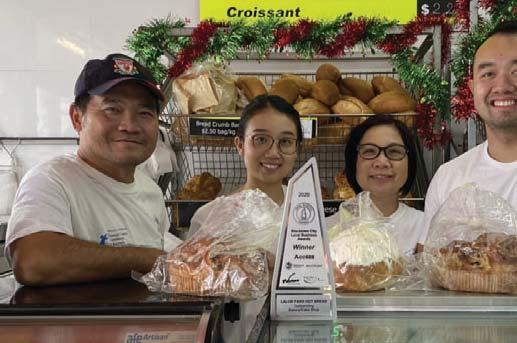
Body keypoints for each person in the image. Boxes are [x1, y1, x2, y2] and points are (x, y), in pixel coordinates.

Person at [5, 53, 181, 286]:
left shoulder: (151, 192)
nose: (130, 126)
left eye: (145, 113)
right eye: (112, 109)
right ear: (77, 118)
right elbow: (34, 262)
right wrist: (152, 259)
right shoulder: (52, 180)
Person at [418, 20, 517, 249]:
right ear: (472, 89)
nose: (502, 86)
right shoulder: (449, 178)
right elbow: (429, 261)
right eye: (488, 73)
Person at [187, 94, 302, 237]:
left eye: (285, 141)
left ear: (297, 149)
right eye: (261, 139)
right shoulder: (209, 219)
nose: (273, 153)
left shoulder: (307, 209)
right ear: (240, 145)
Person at [328, 114, 424, 255]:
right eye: (369, 151)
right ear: (354, 162)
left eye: (394, 151)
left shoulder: (425, 227)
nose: (382, 162)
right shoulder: (327, 229)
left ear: (410, 163)